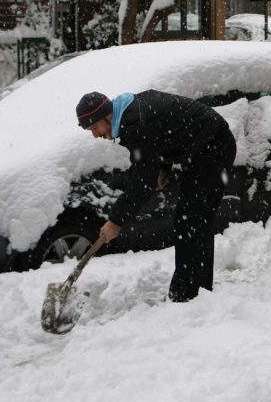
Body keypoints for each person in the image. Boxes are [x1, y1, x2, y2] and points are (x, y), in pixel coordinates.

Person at [75, 90, 237, 302]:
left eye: (94, 127)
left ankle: (186, 296)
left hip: (213, 148)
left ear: (107, 115)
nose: (95, 134)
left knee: (189, 223)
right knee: (195, 222)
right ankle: (198, 291)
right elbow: (166, 131)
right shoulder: (130, 114)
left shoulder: (134, 123)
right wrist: (163, 168)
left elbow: (140, 183)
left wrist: (116, 221)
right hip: (206, 146)